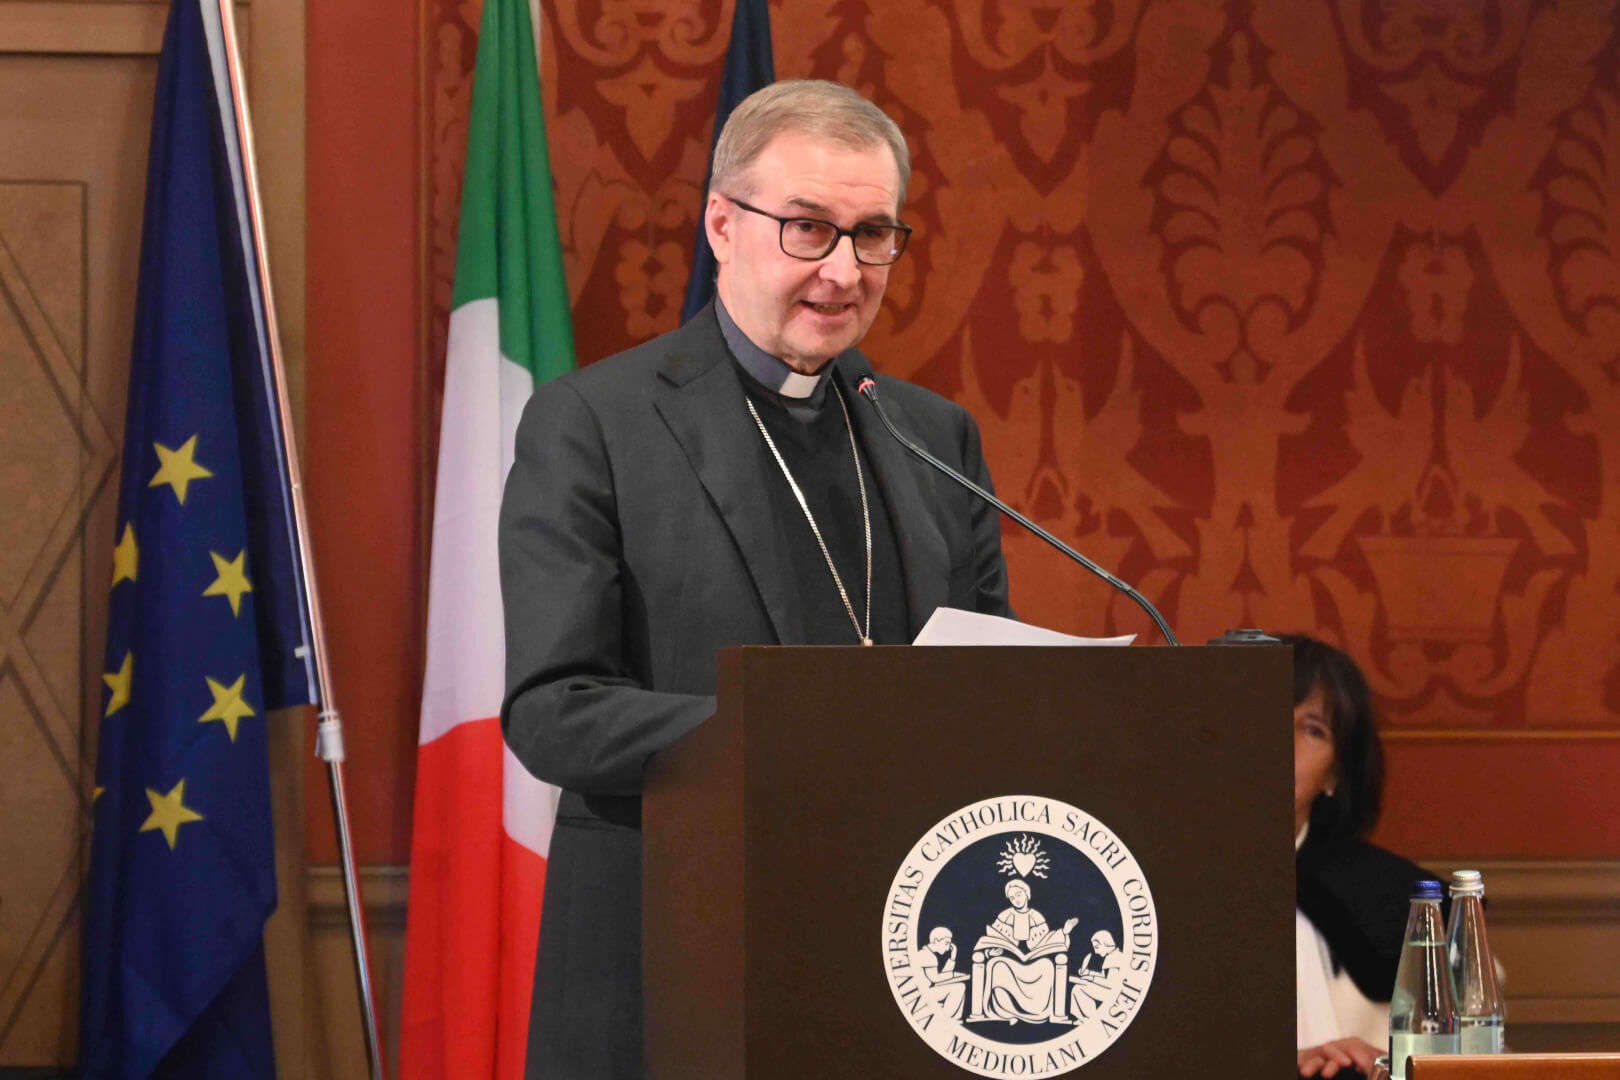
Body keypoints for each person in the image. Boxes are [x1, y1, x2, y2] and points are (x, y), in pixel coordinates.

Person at [499, 78, 1013, 1079]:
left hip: (900, 964)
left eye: (873, 235)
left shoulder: (933, 434)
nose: (844, 272)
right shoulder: (596, 423)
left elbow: (990, 681)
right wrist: (793, 733)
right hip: (671, 959)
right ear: (723, 226)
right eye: (809, 229)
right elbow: (554, 711)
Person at [1283, 634, 1442, 1080]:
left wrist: (1395, 1066)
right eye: (1263, 713)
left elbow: (1469, 1056)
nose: (1281, 740)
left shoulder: (1406, 902)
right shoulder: (1145, 880)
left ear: (1334, 773)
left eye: (1313, 729)